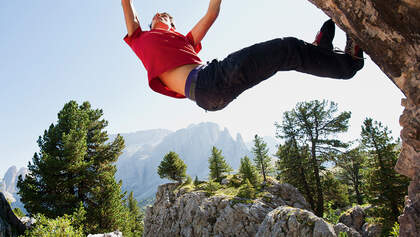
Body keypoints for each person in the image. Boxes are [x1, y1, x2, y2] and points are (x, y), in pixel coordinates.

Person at [121, 0, 364, 111]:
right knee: (286, 48)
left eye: (166, 15)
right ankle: (348, 64)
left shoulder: (185, 41)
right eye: (157, 16)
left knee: (285, 53)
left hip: (212, 91)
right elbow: (129, 9)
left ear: (172, 24)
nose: (161, 16)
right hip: (208, 84)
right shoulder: (140, 37)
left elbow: (211, 13)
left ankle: (321, 53)